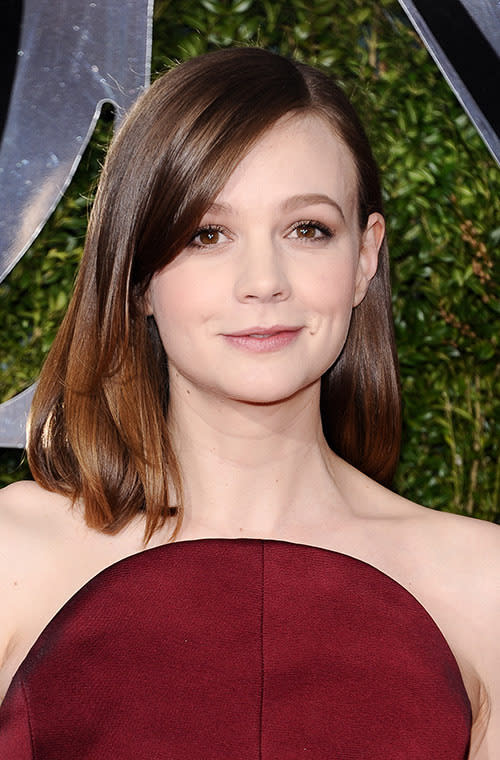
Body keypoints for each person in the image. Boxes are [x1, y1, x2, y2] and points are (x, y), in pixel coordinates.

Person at [0, 46, 498, 758]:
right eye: (208, 233)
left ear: (364, 258)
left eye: (307, 230)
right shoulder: (12, 553)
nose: (263, 280)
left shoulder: (485, 587)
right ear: (138, 276)